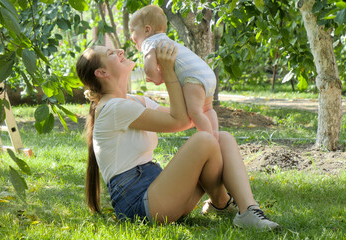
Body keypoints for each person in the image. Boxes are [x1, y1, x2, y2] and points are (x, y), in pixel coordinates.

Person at [76, 41, 280, 230]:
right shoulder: (113, 108)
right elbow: (179, 121)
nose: (120, 51)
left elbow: (189, 117)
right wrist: (168, 70)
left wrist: (193, 76)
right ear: (101, 72)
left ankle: (244, 210)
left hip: (159, 194)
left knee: (222, 137)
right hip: (139, 206)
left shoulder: (133, 101)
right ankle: (224, 204)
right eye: (111, 53)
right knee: (204, 140)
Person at [129, 5, 220, 140]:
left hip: (194, 79)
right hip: (207, 74)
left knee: (195, 112)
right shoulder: (166, 40)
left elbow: (148, 68)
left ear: (147, 30)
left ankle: (209, 140)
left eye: (132, 31)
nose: (131, 37)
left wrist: (157, 78)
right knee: (207, 109)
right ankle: (215, 133)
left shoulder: (149, 42)